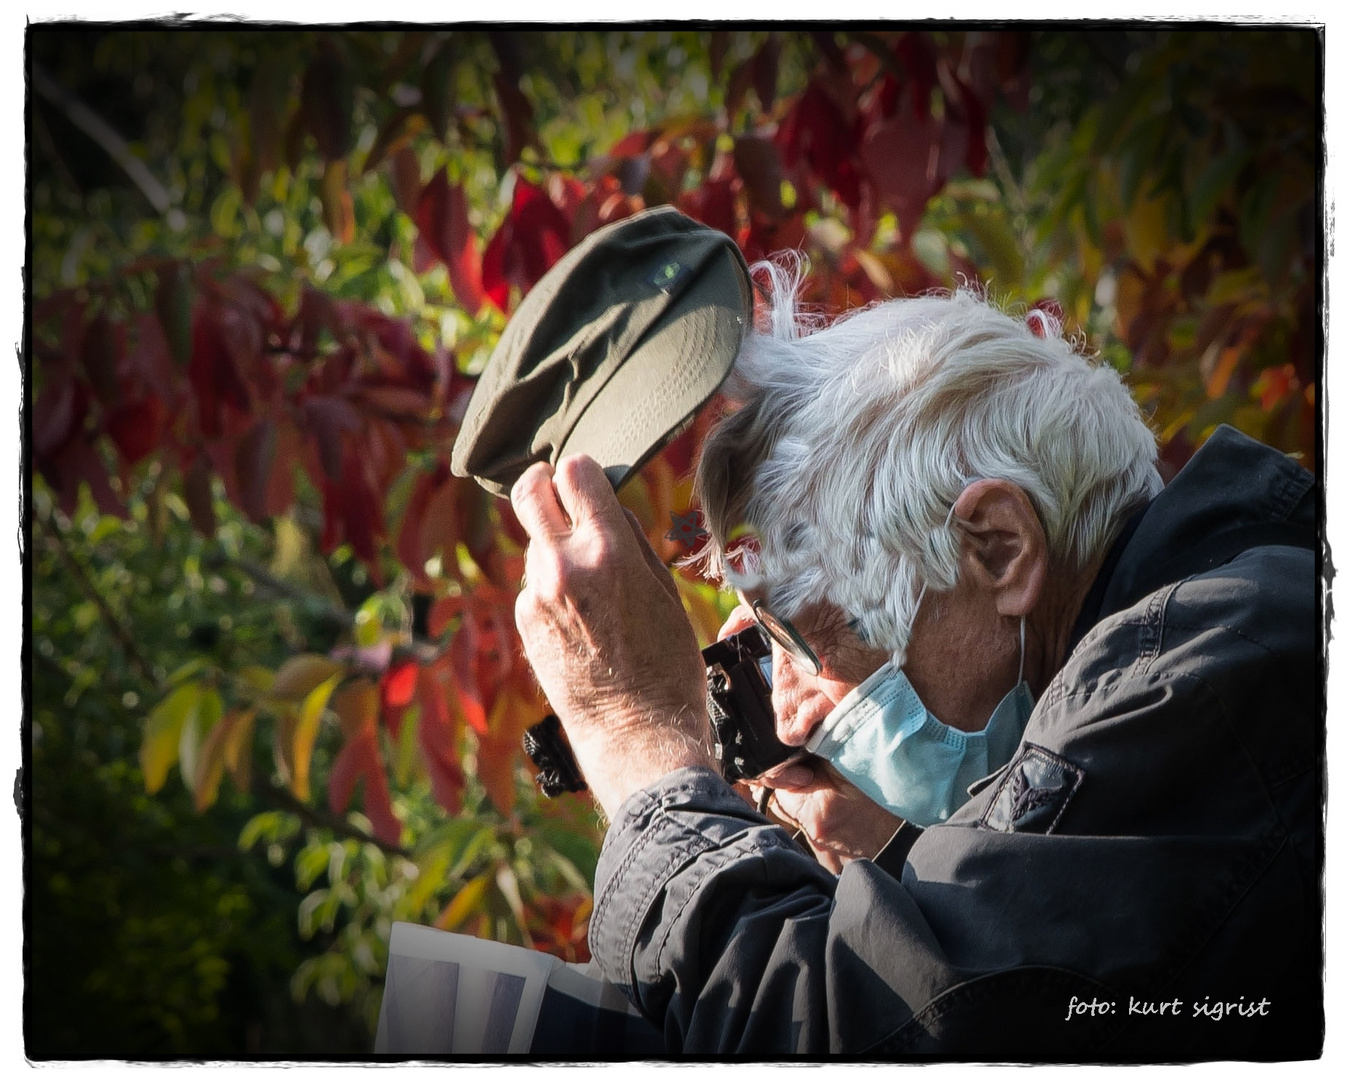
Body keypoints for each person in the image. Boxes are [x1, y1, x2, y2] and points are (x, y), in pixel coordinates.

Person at [507, 265, 1320, 1059]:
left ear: (997, 548)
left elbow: (875, 1035)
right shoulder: (1231, 628)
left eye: (799, 640)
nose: (787, 715)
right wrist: (898, 867)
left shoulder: (1207, 675)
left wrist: (632, 735)